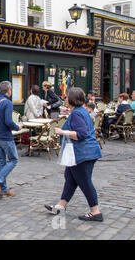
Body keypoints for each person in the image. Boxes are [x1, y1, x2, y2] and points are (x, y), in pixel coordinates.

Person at [45, 87, 103, 222]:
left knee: (84, 182)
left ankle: (95, 211)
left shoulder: (77, 113)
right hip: (84, 153)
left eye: (66, 97)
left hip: (82, 154)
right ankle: (60, 206)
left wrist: (61, 132)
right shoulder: (81, 111)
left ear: (71, 99)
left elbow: (81, 134)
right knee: (70, 178)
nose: (65, 99)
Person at [0, 81, 22, 198]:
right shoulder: (7, 103)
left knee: (2, 162)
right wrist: (17, 127)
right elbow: (8, 121)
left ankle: (3, 189)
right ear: (9, 91)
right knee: (14, 159)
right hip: (5, 136)